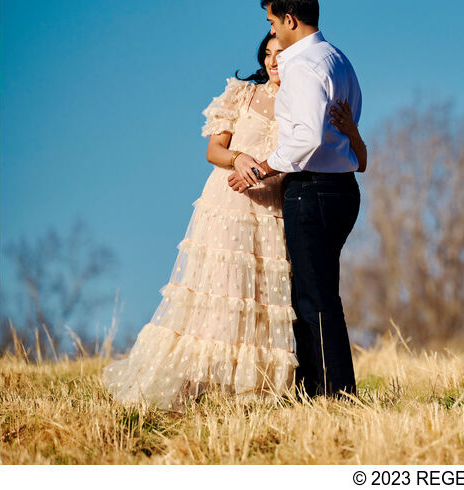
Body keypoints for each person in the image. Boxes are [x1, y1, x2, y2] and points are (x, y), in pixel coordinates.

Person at [101, 32, 365, 411]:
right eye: (268, 55)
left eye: (281, 54)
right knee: (224, 293)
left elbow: (344, 156)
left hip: (275, 208)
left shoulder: (304, 99)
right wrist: (238, 156)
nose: (274, 62)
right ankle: (202, 385)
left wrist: (352, 131)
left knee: (264, 299)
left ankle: (254, 391)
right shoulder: (242, 94)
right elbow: (214, 150)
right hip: (232, 205)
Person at [234, 0, 364, 399]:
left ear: (289, 20)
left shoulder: (303, 66)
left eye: (272, 23)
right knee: (322, 292)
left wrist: (262, 169)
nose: (272, 32)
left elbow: (306, 138)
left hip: (312, 190)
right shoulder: (338, 59)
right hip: (342, 188)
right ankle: (329, 390)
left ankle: (329, 394)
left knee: (312, 298)